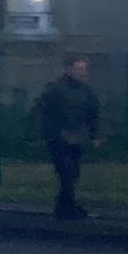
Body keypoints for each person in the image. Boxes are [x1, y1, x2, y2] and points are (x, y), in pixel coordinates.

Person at [30, 55, 102, 219]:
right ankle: (67, 207)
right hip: (59, 138)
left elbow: (92, 114)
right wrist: (50, 134)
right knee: (66, 172)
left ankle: (64, 207)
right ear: (69, 69)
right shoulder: (55, 89)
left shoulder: (86, 91)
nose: (82, 72)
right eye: (79, 68)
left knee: (73, 173)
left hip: (76, 137)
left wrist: (94, 134)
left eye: (84, 69)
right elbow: (43, 113)